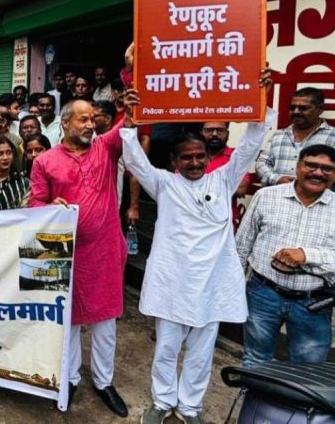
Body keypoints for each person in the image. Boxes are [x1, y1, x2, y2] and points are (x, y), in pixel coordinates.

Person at [121, 75, 275, 424]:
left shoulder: (224, 179)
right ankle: (162, 401)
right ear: (174, 161)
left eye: (200, 156)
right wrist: (130, 121)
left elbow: (251, 144)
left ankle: (189, 407)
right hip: (172, 281)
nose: (194, 163)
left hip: (212, 283)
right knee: (166, 348)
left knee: (202, 352)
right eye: (186, 158)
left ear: (208, 157)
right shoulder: (163, 183)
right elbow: (135, 160)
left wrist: (261, 96)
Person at [29, 98, 128, 417]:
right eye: (83, 119)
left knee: (105, 321)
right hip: (61, 251)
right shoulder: (44, 161)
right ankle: (69, 378)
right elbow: (34, 204)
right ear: (65, 123)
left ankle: (104, 382)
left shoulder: (106, 148)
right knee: (66, 320)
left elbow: (131, 122)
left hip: (104, 249)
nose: (90, 125)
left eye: (92, 119)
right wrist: (49, 208)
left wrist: (132, 93)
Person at [237, 144, 335, 367]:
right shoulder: (266, 196)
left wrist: (306, 255)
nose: (318, 173)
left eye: (327, 169)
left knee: (307, 370)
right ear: (298, 166)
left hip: (314, 301)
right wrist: (233, 291)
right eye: (311, 165)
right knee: (255, 360)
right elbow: (241, 247)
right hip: (262, 294)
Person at [255, 87, 335, 186]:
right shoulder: (279, 135)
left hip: (319, 195)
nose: (296, 112)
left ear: (320, 109)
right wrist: (277, 179)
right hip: (278, 193)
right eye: (292, 108)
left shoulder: (333, 136)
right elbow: (261, 163)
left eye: (303, 108)